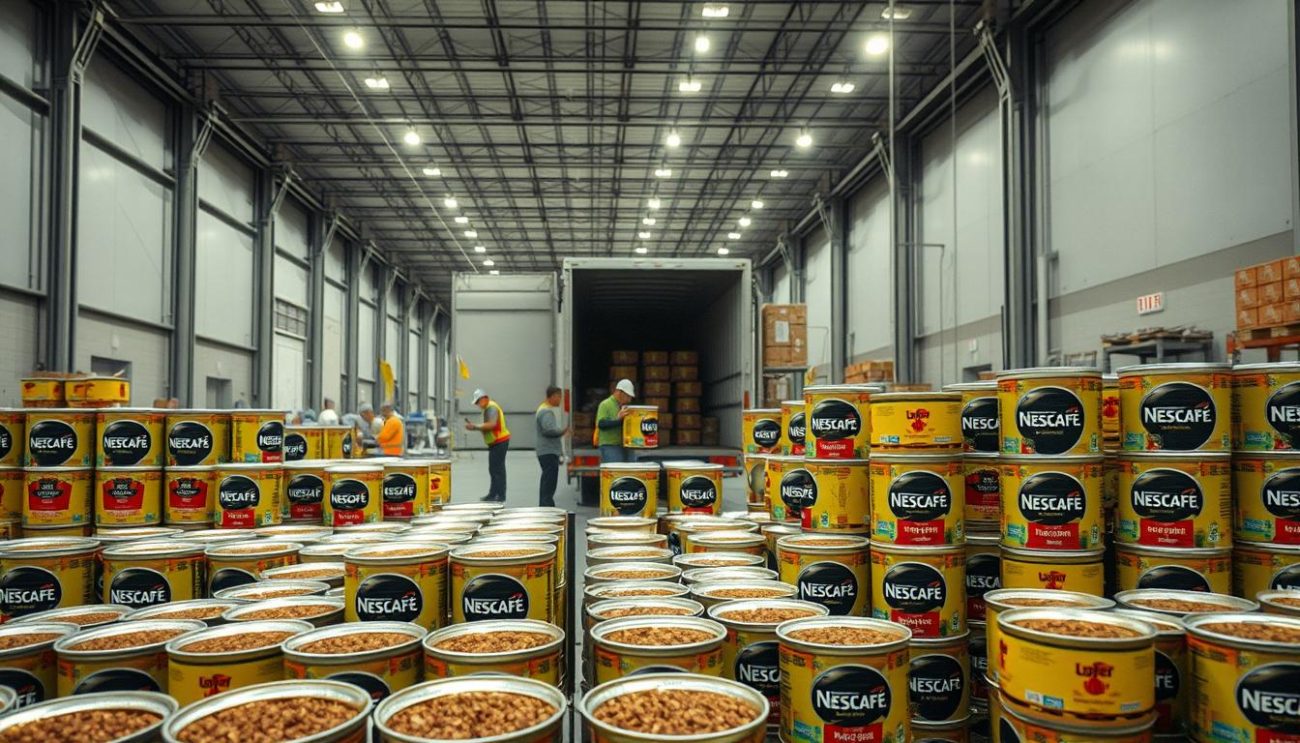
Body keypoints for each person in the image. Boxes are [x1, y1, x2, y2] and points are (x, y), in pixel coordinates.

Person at [465, 389, 510, 502]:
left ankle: (500, 495)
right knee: (494, 469)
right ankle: (493, 493)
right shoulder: (488, 408)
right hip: (496, 442)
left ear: (484, 398)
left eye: (477, 402)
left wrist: (475, 426)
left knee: (497, 470)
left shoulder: (491, 407)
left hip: (500, 441)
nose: (477, 405)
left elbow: (491, 424)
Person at [535, 386, 569, 508]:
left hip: (545, 451)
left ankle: (545, 504)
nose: (560, 400)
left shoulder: (542, 409)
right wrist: (563, 431)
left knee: (546, 480)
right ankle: (547, 506)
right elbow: (548, 430)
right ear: (553, 396)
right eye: (559, 397)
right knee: (549, 482)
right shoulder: (546, 412)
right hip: (548, 451)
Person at [595, 379, 635, 463]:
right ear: (619, 392)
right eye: (627, 396)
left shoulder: (622, 406)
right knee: (615, 473)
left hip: (623, 445)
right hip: (609, 445)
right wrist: (618, 420)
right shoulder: (605, 404)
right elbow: (601, 424)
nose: (629, 400)